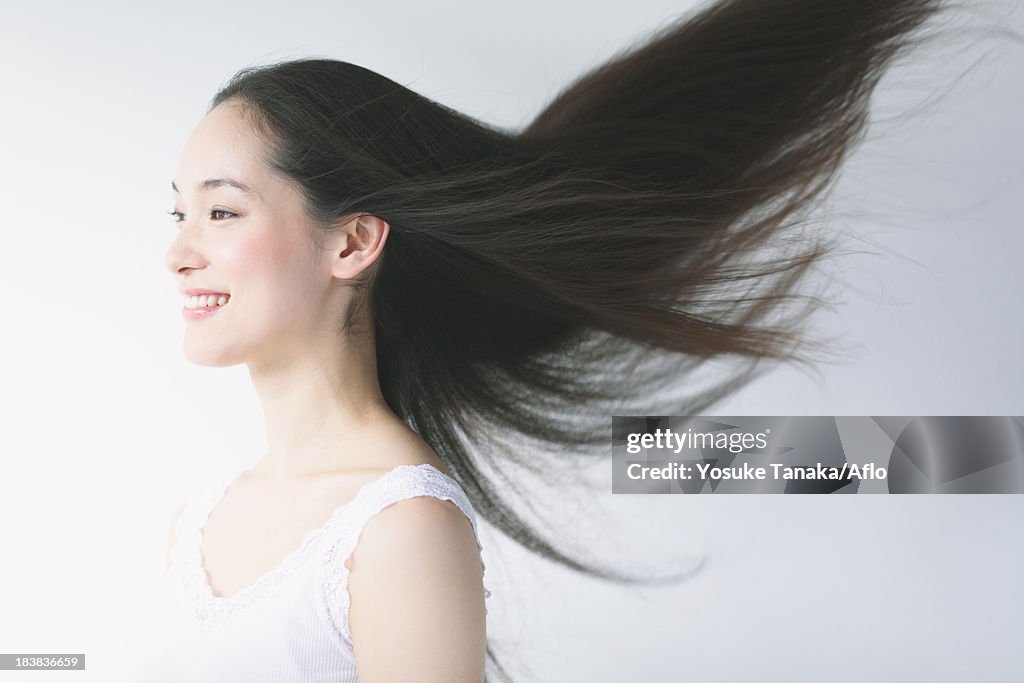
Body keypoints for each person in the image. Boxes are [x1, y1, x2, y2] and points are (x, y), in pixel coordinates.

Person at [137, 1, 968, 680]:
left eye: (222, 210)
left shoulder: (397, 527)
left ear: (351, 243)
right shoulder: (197, 521)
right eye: (180, 212)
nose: (179, 250)